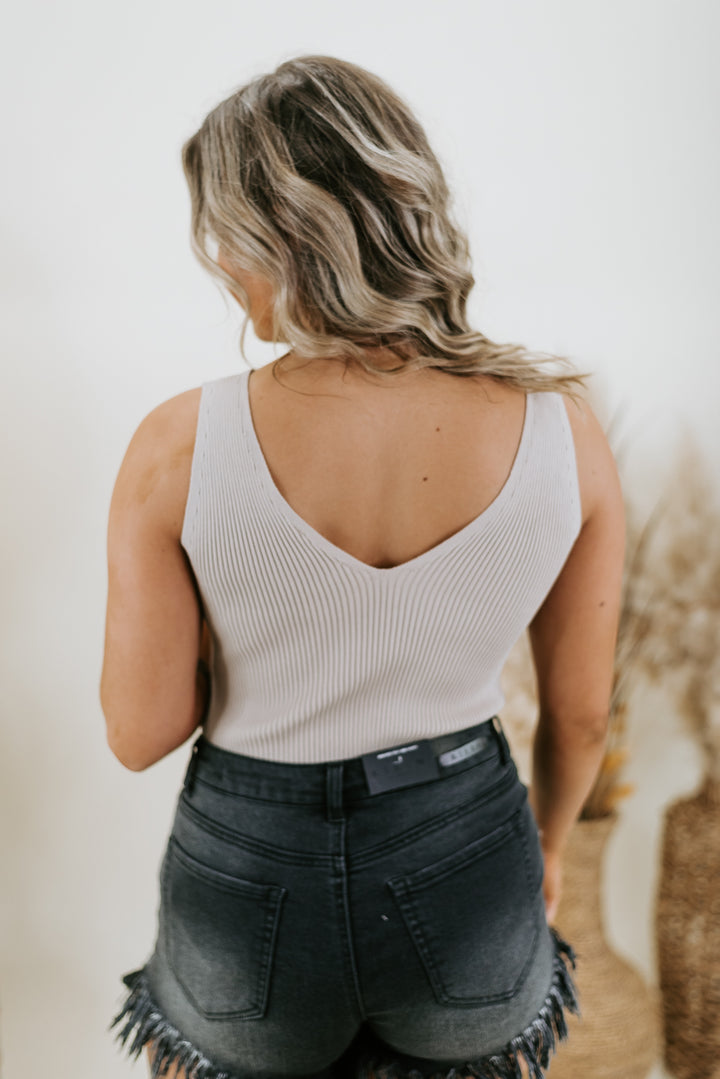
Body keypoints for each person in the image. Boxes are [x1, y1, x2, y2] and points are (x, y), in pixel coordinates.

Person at [101, 55, 625, 1079]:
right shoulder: (565, 432)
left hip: (250, 868)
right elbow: (582, 717)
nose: (222, 266)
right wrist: (550, 848)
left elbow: (140, 731)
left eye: (227, 237)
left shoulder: (178, 444)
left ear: (282, 236)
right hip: (468, 847)